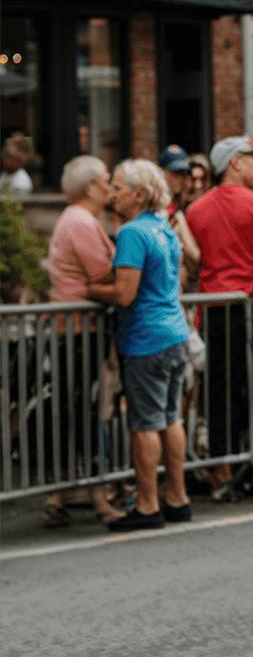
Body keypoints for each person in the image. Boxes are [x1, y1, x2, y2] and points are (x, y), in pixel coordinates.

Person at [186, 137, 253, 499]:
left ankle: (223, 467)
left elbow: (194, 259)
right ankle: (236, 462)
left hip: (209, 307)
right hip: (243, 304)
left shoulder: (196, 208)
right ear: (235, 163)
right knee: (244, 385)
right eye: (252, 159)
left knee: (216, 388)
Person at [106, 160, 192, 531]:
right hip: (175, 331)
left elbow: (124, 294)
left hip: (146, 337)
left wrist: (89, 289)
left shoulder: (132, 232)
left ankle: (147, 505)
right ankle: (178, 497)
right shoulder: (164, 227)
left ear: (138, 194)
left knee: (144, 424)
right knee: (171, 418)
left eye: (117, 188)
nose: (112, 195)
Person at [43, 155, 122, 525]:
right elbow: (103, 274)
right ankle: (95, 495)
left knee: (74, 412)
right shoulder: (81, 222)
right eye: (107, 179)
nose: (110, 185)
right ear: (91, 186)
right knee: (85, 413)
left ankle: (61, 493)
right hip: (79, 331)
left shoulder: (76, 219)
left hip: (74, 329)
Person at [157, 144, 201, 277]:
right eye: (174, 172)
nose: (180, 178)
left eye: (183, 173)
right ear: (161, 172)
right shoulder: (154, 207)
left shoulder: (182, 206)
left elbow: (195, 258)